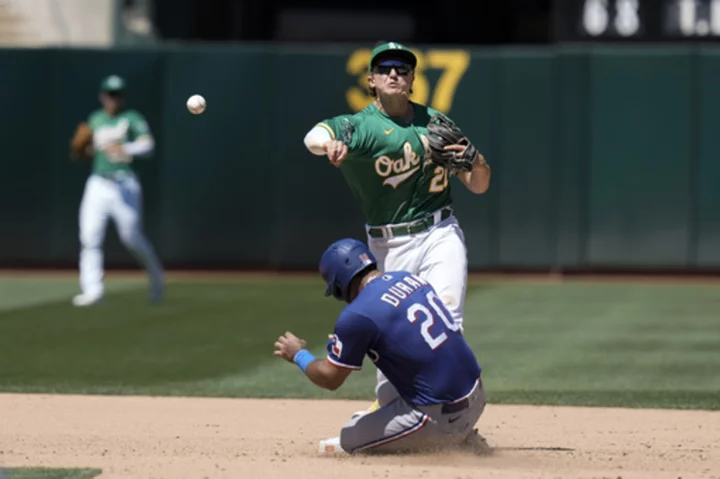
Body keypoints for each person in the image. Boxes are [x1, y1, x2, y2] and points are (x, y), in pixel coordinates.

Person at [302, 40, 491, 411]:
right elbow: (314, 136)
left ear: (412, 80)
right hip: (389, 246)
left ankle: (458, 411)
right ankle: (391, 410)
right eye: (385, 68)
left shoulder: (436, 122)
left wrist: (476, 158)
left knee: (447, 321)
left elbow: (479, 184)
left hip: (439, 232)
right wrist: (329, 146)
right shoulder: (360, 126)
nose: (393, 74)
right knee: (391, 333)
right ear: (371, 79)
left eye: (402, 69)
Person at [273, 238, 487, 455]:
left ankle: (452, 440)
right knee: (392, 392)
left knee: (349, 436)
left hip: (441, 419)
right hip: (478, 396)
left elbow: (330, 378)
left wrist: (298, 354)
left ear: (339, 285)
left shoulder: (357, 315)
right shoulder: (406, 277)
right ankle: (459, 432)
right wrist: (353, 344)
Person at [70, 75, 164, 307]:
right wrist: (85, 150)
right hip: (98, 183)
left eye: (118, 94)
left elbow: (148, 146)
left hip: (124, 183)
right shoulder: (95, 119)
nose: (114, 98)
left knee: (132, 238)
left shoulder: (131, 118)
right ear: (103, 96)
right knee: (89, 236)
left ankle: (156, 278)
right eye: (110, 94)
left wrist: (125, 147)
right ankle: (93, 290)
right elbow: (87, 150)